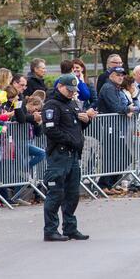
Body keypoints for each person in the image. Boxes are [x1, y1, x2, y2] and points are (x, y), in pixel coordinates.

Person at [42, 74, 97, 241]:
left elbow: (77, 126)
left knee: (72, 194)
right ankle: (50, 230)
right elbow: (51, 130)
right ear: (60, 87)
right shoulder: (52, 105)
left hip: (73, 155)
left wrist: (86, 119)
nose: (71, 93)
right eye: (68, 89)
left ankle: (70, 228)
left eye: (73, 90)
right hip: (59, 154)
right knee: (56, 193)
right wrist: (71, 141)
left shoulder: (72, 103)